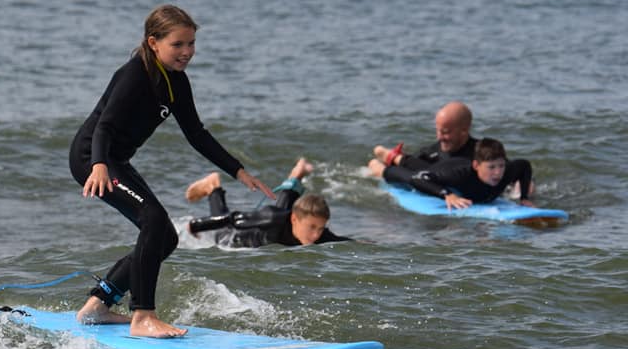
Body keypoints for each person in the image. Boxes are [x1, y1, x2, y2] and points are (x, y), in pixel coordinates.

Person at [69, 4, 274, 338]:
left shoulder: (176, 82)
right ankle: (143, 317)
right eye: (178, 44)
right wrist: (99, 165)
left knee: (165, 236)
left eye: (191, 43)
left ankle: (99, 306)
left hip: (115, 160)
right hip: (93, 158)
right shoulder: (135, 75)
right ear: (154, 43)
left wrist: (237, 171)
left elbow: (196, 134)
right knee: (152, 220)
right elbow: (104, 124)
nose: (187, 52)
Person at [185, 158, 351, 247]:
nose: (316, 235)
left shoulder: (315, 235)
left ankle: (296, 176)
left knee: (283, 213)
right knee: (221, 232)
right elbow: (233, 219)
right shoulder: (270, 217)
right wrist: (197, 225)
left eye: (320, 228)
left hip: (282, 224)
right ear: (294, 219)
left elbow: (343, 241)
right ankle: (213, 186)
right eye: (312, 227)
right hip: (234, 237)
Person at [368, 137, 535, 210]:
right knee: (413, 175)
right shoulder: (460, 175)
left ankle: (392, 155)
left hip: (448, 166)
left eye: (501, 166)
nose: (498, 173)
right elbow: (421, 179)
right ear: (477, 165)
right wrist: (446, 194)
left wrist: (524, 198)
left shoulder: (507, 171)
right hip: (445, 170)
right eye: (491, 167)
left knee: (421, 166)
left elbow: (524, 165)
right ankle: (379, 165)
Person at [371, 101, 477, 170]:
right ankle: (390, 155)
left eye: (445, 132)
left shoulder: (482, 152)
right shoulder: (431, 153)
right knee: (376, 165)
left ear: (464, 130)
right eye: (438, 131)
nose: (439, 137)